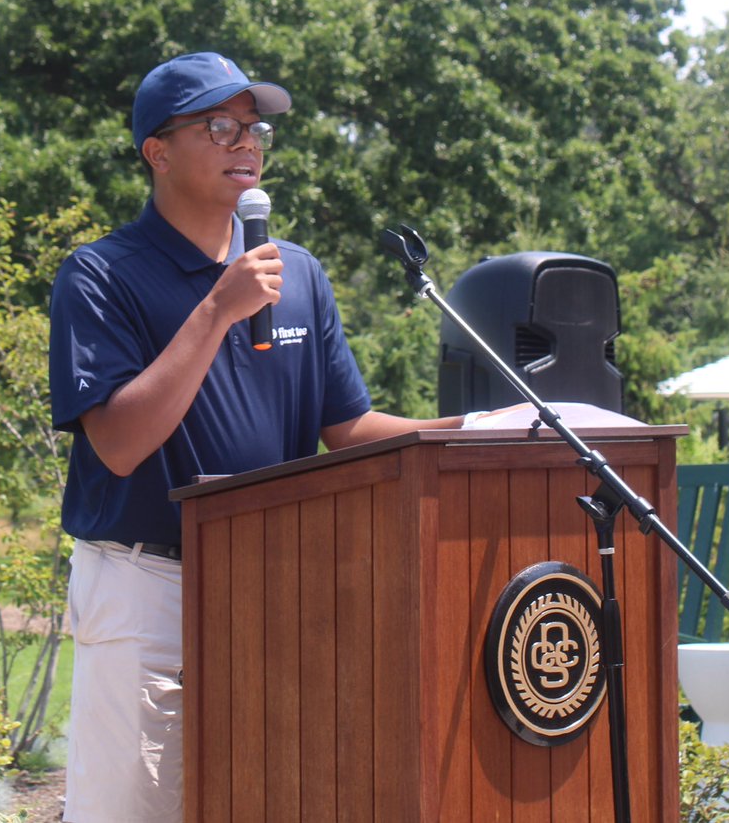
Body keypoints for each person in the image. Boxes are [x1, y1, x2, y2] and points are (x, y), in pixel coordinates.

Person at [48, 51, 470, 823]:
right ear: (157, 151)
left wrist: (477, 429)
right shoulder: (101, 275)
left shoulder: (296, 273)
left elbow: (348, 428)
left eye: (254, 128)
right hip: (150, 588)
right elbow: (119, 443)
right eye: (219, 126)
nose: (246, 142)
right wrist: (218, 308)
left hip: (278, 585)